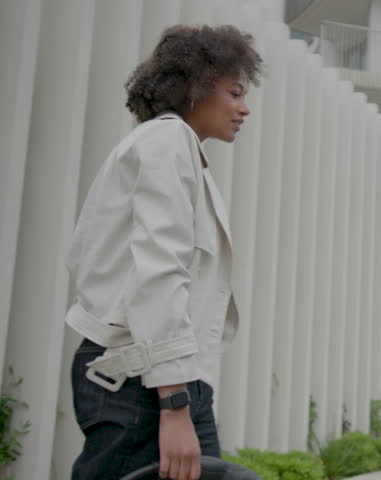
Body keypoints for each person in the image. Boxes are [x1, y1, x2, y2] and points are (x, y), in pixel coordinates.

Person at [65, 24, 262, 480]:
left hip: (159, 375)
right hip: (142, 382)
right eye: (235, 93)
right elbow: (158, 270)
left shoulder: (175, 149)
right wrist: (174, 404)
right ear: (193, 88)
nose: (244, 108)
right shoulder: (166, 142)